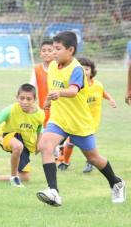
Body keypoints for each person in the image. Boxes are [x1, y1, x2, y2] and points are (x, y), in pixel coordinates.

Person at [36, 31, 125, 207]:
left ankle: (116, 183)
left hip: (79, 123)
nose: (54, 52)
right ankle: (53, 191)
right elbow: (52, 87)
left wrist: (58, 93)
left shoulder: (76, 69)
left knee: (94, 158)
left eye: (58, 49)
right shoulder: (54, 65)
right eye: (53, 48)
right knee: (45, 145)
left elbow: (72, 91)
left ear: (70, 50)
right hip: (59, 120)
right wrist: (47, 100)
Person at [0, 84, 44, 187]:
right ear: (16, 98)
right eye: (22, 98)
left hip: (25, 141)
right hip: (5, 135)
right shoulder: (10, 110)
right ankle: (14, 178)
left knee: (25, 178)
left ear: (34, 100)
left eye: (28, 99)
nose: (24, 102)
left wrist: (38, 143)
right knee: (17, 146)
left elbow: (40, 128)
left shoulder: (40, 113)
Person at [58, 57, 117, 173]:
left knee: (87, 144)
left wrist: (111, 99)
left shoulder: (98, 85)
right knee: (70, 143)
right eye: (81, 69)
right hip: (77, 119)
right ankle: (66, 161)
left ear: (92, 71)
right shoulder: (75, 87)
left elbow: (103, 92)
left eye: (87, 69)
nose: (84, 71)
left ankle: (89, 163)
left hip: (92, 121)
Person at [29, 40, 65, 162]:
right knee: (47, 133)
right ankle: (56, 156)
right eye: (44, 51)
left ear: (55, 52)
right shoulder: (37, 69)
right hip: (44, 108)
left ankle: (60, 155)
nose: (47, 53)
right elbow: (31, 85)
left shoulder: (60, 68)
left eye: (50, 50)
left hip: (60, 107)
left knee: (59, 133)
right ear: (40, 53)